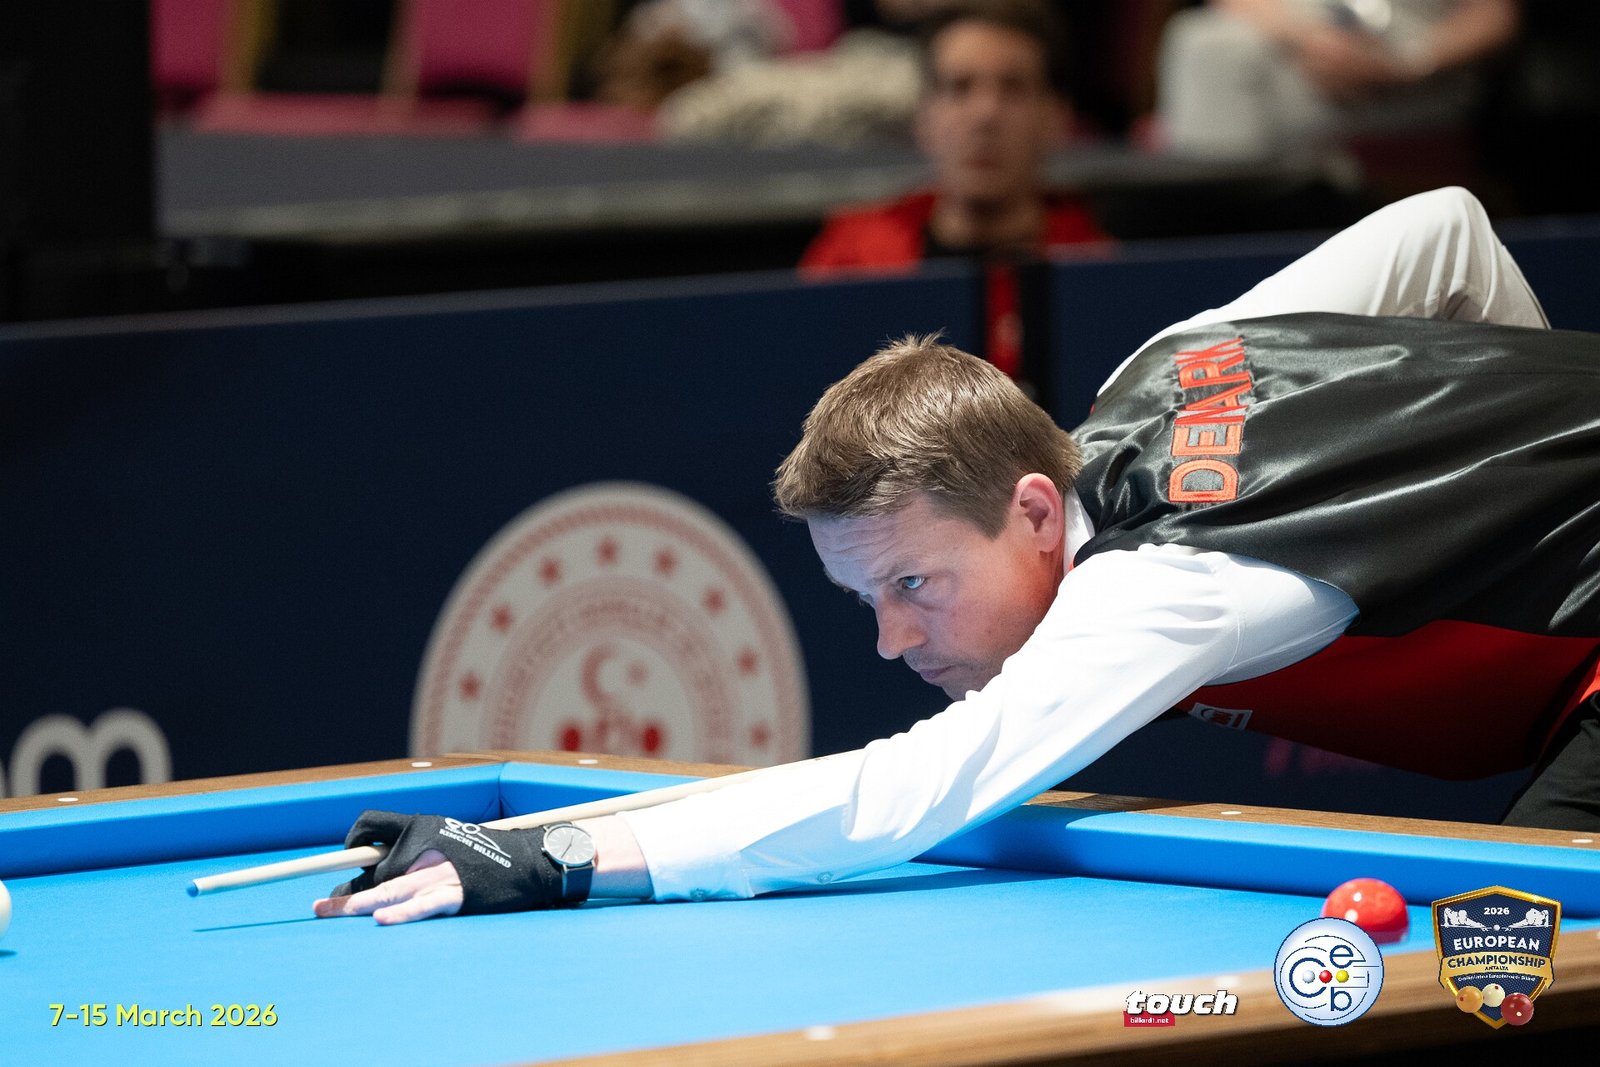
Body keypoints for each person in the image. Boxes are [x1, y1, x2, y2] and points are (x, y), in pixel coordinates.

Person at [313, 185, 1597, 926]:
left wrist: (557, 856)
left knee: (1510, 977)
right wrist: (1518, 460)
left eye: (913, 583)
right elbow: (1447, 231)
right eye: (866, 597)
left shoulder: (1164, 580)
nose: (891, 638)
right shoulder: (1167, 368)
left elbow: (910, 792)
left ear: (1035, 511)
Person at [798, 0, 1109, 383]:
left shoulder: (1094, 275)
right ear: (923, 116)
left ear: (1056, 117)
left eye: (1012, 89)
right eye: (959, 87)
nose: (985, 114)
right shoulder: (851, 262)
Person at [1154, 0, 1523, 163]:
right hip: (1293, 49)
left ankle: (1215, 266)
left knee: (1216, 77)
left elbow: (1496, 16)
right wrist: (1309, 40)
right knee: (1201, 41)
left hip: (1412, 76)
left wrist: (1405, 66)